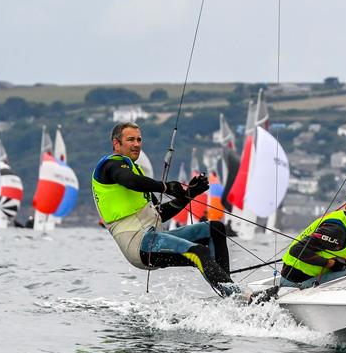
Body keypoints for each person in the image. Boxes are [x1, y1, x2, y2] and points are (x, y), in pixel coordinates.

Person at [92, 121, 238, 297]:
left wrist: (190, 193)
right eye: (131, 139)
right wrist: (166, 187)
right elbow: (129, 180)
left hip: (155, 237)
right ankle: (236, 296)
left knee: (215, 229)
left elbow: (159, 214)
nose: (136, 144)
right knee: (199, 252)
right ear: (116, 144)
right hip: (139, 245)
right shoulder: (110, 166)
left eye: (139, 140)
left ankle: (229, 290)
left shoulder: (136, 172)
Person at [280, 186, 346, 288]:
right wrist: (331, 264)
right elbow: (296, 250)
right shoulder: (336, 230)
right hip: (294, 284)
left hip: (312, 278)